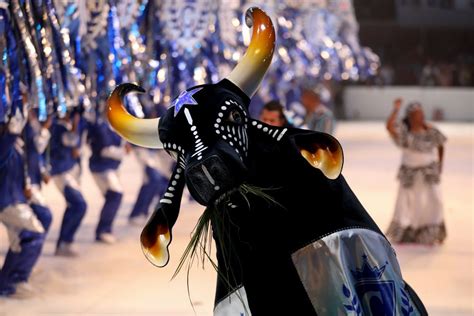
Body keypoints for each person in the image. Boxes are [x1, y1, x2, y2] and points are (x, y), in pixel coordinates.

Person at [385, 98, 447, 245]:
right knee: (407, 204)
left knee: (434, 202)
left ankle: (430, 233)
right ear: (410, 116)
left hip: (428, 173)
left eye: (421, 114)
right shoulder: (405, 133)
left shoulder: (430, 131)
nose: (420, 117)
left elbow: (441, 145)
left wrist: (440, 164)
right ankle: (408, 232)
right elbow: (389, 127)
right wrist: (395, 110)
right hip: (409, 174)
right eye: (416, 114)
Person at [0, 108, 47, 297]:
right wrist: (19, 99)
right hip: (7, 200)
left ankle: (5, 282)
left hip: (15, 196)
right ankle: (17, 279)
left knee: (18, 242)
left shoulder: (15, 142)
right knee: (35, 234)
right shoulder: (5, 144)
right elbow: (15, 124)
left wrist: (25, 186)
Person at [49, 110, 87, 256]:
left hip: (70, 171)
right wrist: (76, 125)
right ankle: (65, 241)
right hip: (61, 171)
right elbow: (70, 140)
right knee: (79, 205)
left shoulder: (67, 126)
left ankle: (64, 243)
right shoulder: (57, 127)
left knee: (74, 206)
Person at [87, 111, 128, 243]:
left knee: (113, 196)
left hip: (111, 167)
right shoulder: (101, 127)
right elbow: (105, 150)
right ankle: (103, 230)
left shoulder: (114, 126)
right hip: (101, 167)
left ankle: (104, 229)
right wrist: (123, 152)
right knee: (115, 194)